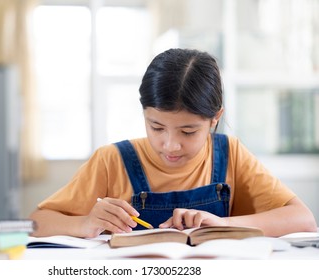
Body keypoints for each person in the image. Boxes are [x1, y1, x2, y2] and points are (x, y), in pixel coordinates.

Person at [29, 48, 317, 238]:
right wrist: (84, 223)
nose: (170, 145)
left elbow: (303, 221)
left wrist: (222, 224)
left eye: (188, 132)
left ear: (215, 118)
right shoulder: (111, 160)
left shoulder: (230, 154)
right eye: (156, 127)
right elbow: (35, 223)